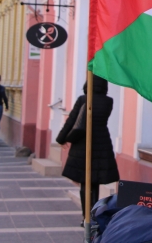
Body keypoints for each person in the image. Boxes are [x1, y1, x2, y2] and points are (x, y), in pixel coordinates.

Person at [56, 76, 120, 226]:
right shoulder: (108, 101)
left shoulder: (83, 99)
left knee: (85, 182)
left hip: (83, 144)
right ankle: (95, 214)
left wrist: (61, 138)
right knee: (95, 182)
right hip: (102, 143)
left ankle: (86, 217)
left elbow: (72, 120)